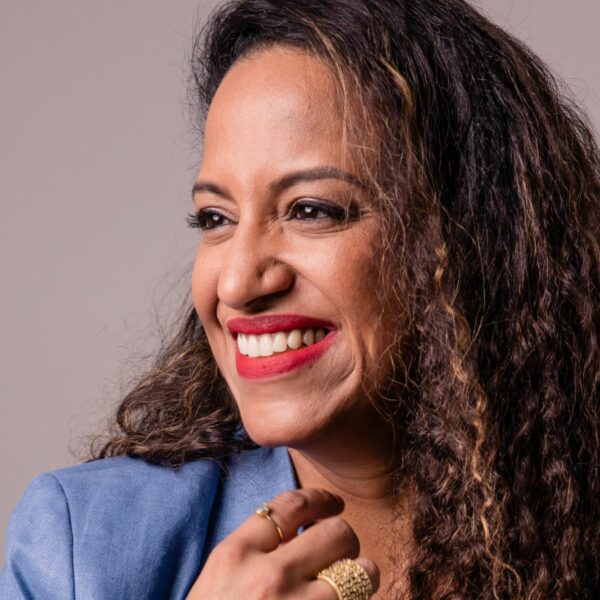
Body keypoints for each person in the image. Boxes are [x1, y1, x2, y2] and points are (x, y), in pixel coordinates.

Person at [2, 0, 600, 598]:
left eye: (311, 210)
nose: (237, 283)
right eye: (216, 218)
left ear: (468, 237)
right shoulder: (81, 551)